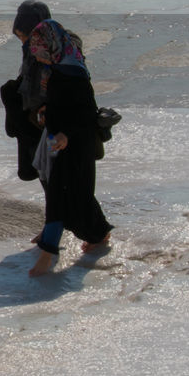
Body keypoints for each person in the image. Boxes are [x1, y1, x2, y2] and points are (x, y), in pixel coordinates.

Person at [25, 19, 114, 276]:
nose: (39, 59)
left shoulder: (73, 75)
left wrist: (65, 133)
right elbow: (61, 106)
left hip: (76, 146)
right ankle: (99, 233)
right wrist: (46, 114)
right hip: (60, 143)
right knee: (73, 198)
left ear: (51, 47)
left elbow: (86, 114)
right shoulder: (58, 69)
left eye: (40, 53)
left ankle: (47, 254)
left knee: (63, 197)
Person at [0, 0, 51, 182]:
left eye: (24, 37)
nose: (23, 43)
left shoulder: (52, 50)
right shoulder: (46, 47)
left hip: (49, 125)